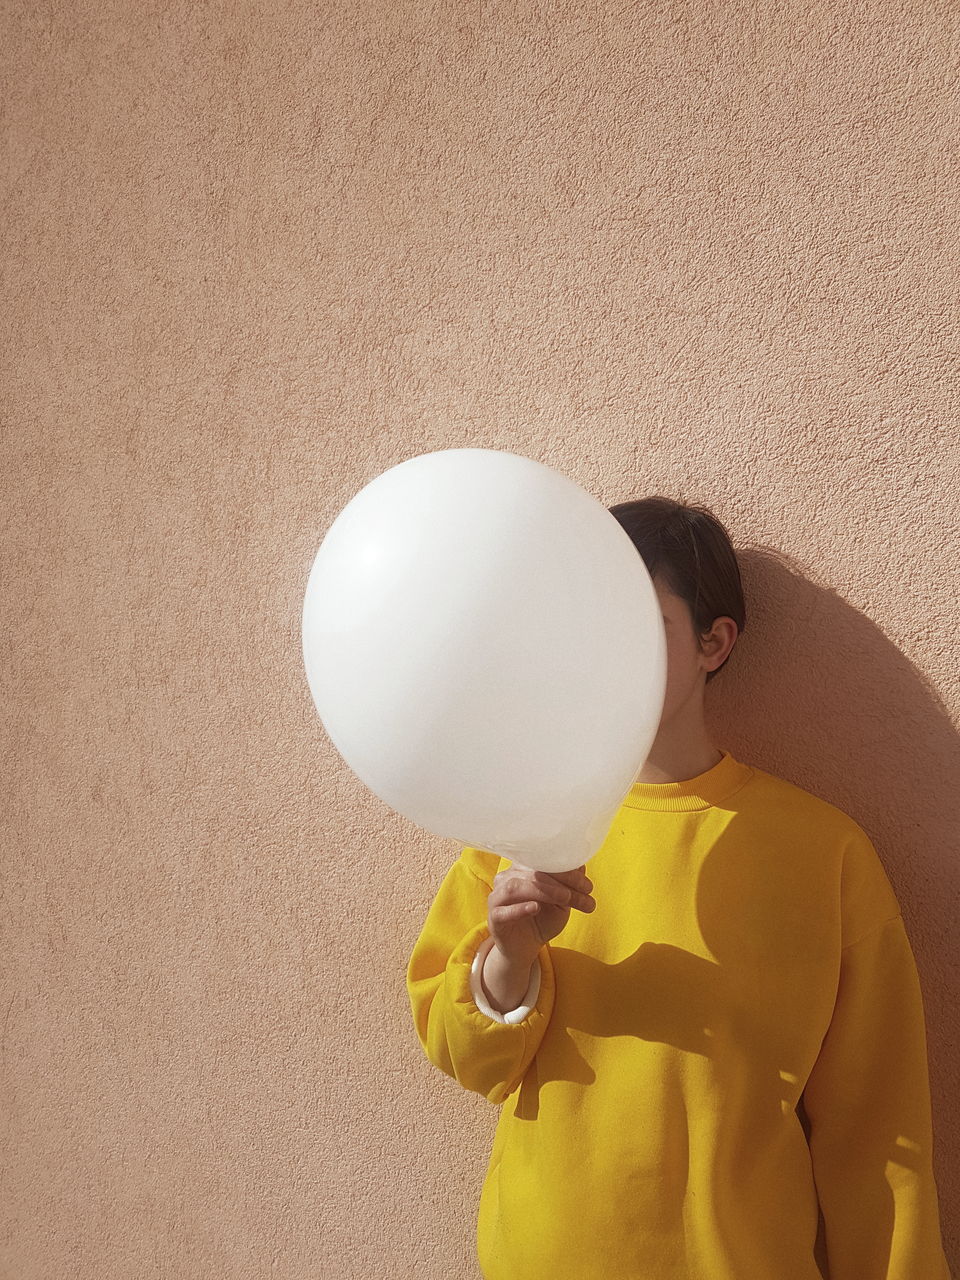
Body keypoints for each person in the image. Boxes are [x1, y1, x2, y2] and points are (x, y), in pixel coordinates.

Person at [405, 496, 952, 1280]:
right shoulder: (522, 821)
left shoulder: (824, 853)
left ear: (713, 642)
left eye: (636, 622)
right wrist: (508, 958)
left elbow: (879, 1142)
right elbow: (469, 1058)